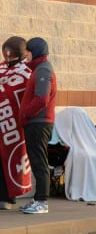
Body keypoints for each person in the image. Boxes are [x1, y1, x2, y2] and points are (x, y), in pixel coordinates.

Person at [19, 37, 57, 214]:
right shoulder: (39, 69)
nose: (25, 54)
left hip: (38, 123)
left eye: (28, 50)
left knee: (39, 162)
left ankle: (42, 202)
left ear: (35, 51)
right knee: (36, 161)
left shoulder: (43, 69)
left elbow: (42, 99)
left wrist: (25, 113)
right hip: (36, 123)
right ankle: (38, 199)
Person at [0, 36, 31, 210]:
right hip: (2, 125)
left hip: (14, 127)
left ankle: (9, 198)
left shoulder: (26, 72)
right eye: (5, 54)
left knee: (11, 162)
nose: (7, 58)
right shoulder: (1, 69)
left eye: (10, 54)